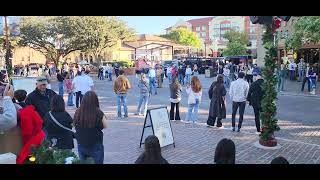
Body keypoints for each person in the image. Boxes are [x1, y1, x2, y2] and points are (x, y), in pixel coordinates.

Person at [74, 91, 107, 164]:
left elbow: (74, 123)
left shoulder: (78, 112)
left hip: (82, 143)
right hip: (95, 144)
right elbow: (105, 125)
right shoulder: (98, 112)